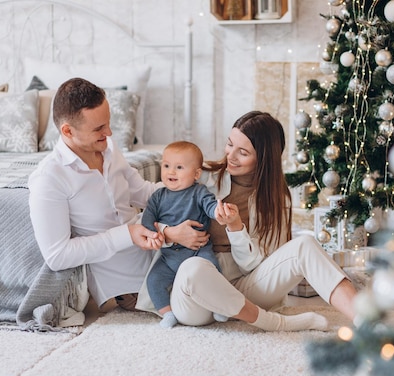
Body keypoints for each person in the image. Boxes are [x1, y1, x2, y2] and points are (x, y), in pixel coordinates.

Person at [137, 111, 358, 331]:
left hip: (247, 286)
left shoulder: (276, 199)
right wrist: (170, 233)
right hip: (197, 298)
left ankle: (367, 322)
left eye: (242, 152)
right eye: (229, 144)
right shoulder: (201, 175)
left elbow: (254, 265)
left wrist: (236, 228)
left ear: (263, 158)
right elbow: (149, 211)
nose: (231, 156)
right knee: (192, 268)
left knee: (306, 245)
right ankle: (276, 324)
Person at [28, 77, 166, 312]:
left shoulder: (108, 148)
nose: (109, 132)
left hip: (159, 249)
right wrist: (128, 235)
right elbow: (57, 255)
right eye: (99, 128)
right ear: (67, 131)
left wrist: (189, 191)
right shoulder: (49, 178)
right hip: (128, 283)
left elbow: (142, 192)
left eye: (108, 123)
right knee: (205, 298)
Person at [141, 140, 226, 328]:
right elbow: (147, 220)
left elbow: (210, 205)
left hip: (198, 251)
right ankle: (167, 313)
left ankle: (219, 305)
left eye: (179, 167)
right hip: (169, 256)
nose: (171, 172)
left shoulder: (199, 192)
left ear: (196, 174)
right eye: (166, 166)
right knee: (154, 280)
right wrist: (153, 233)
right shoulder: (158, 196)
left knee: (212, 270)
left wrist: (218, 211)